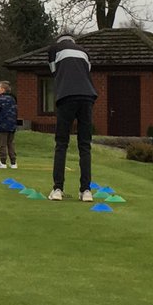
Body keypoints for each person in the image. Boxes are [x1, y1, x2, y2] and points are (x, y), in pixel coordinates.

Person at [48, 34, 98, 201]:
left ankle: (57, 189)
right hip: (87, 97)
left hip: (66, 96)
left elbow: (55, 73)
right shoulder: (85, 51)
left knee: (61, 143)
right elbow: (85, 73)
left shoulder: (54, 49)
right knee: (85, 145)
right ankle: (86, 191)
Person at [0, 80, 18, 170]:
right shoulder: (13, 99)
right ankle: (13, 162)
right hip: (12, 125)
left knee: (2, 144)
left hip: (2, 125)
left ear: (2, 89)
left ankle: (3, 162)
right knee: (10, 143)